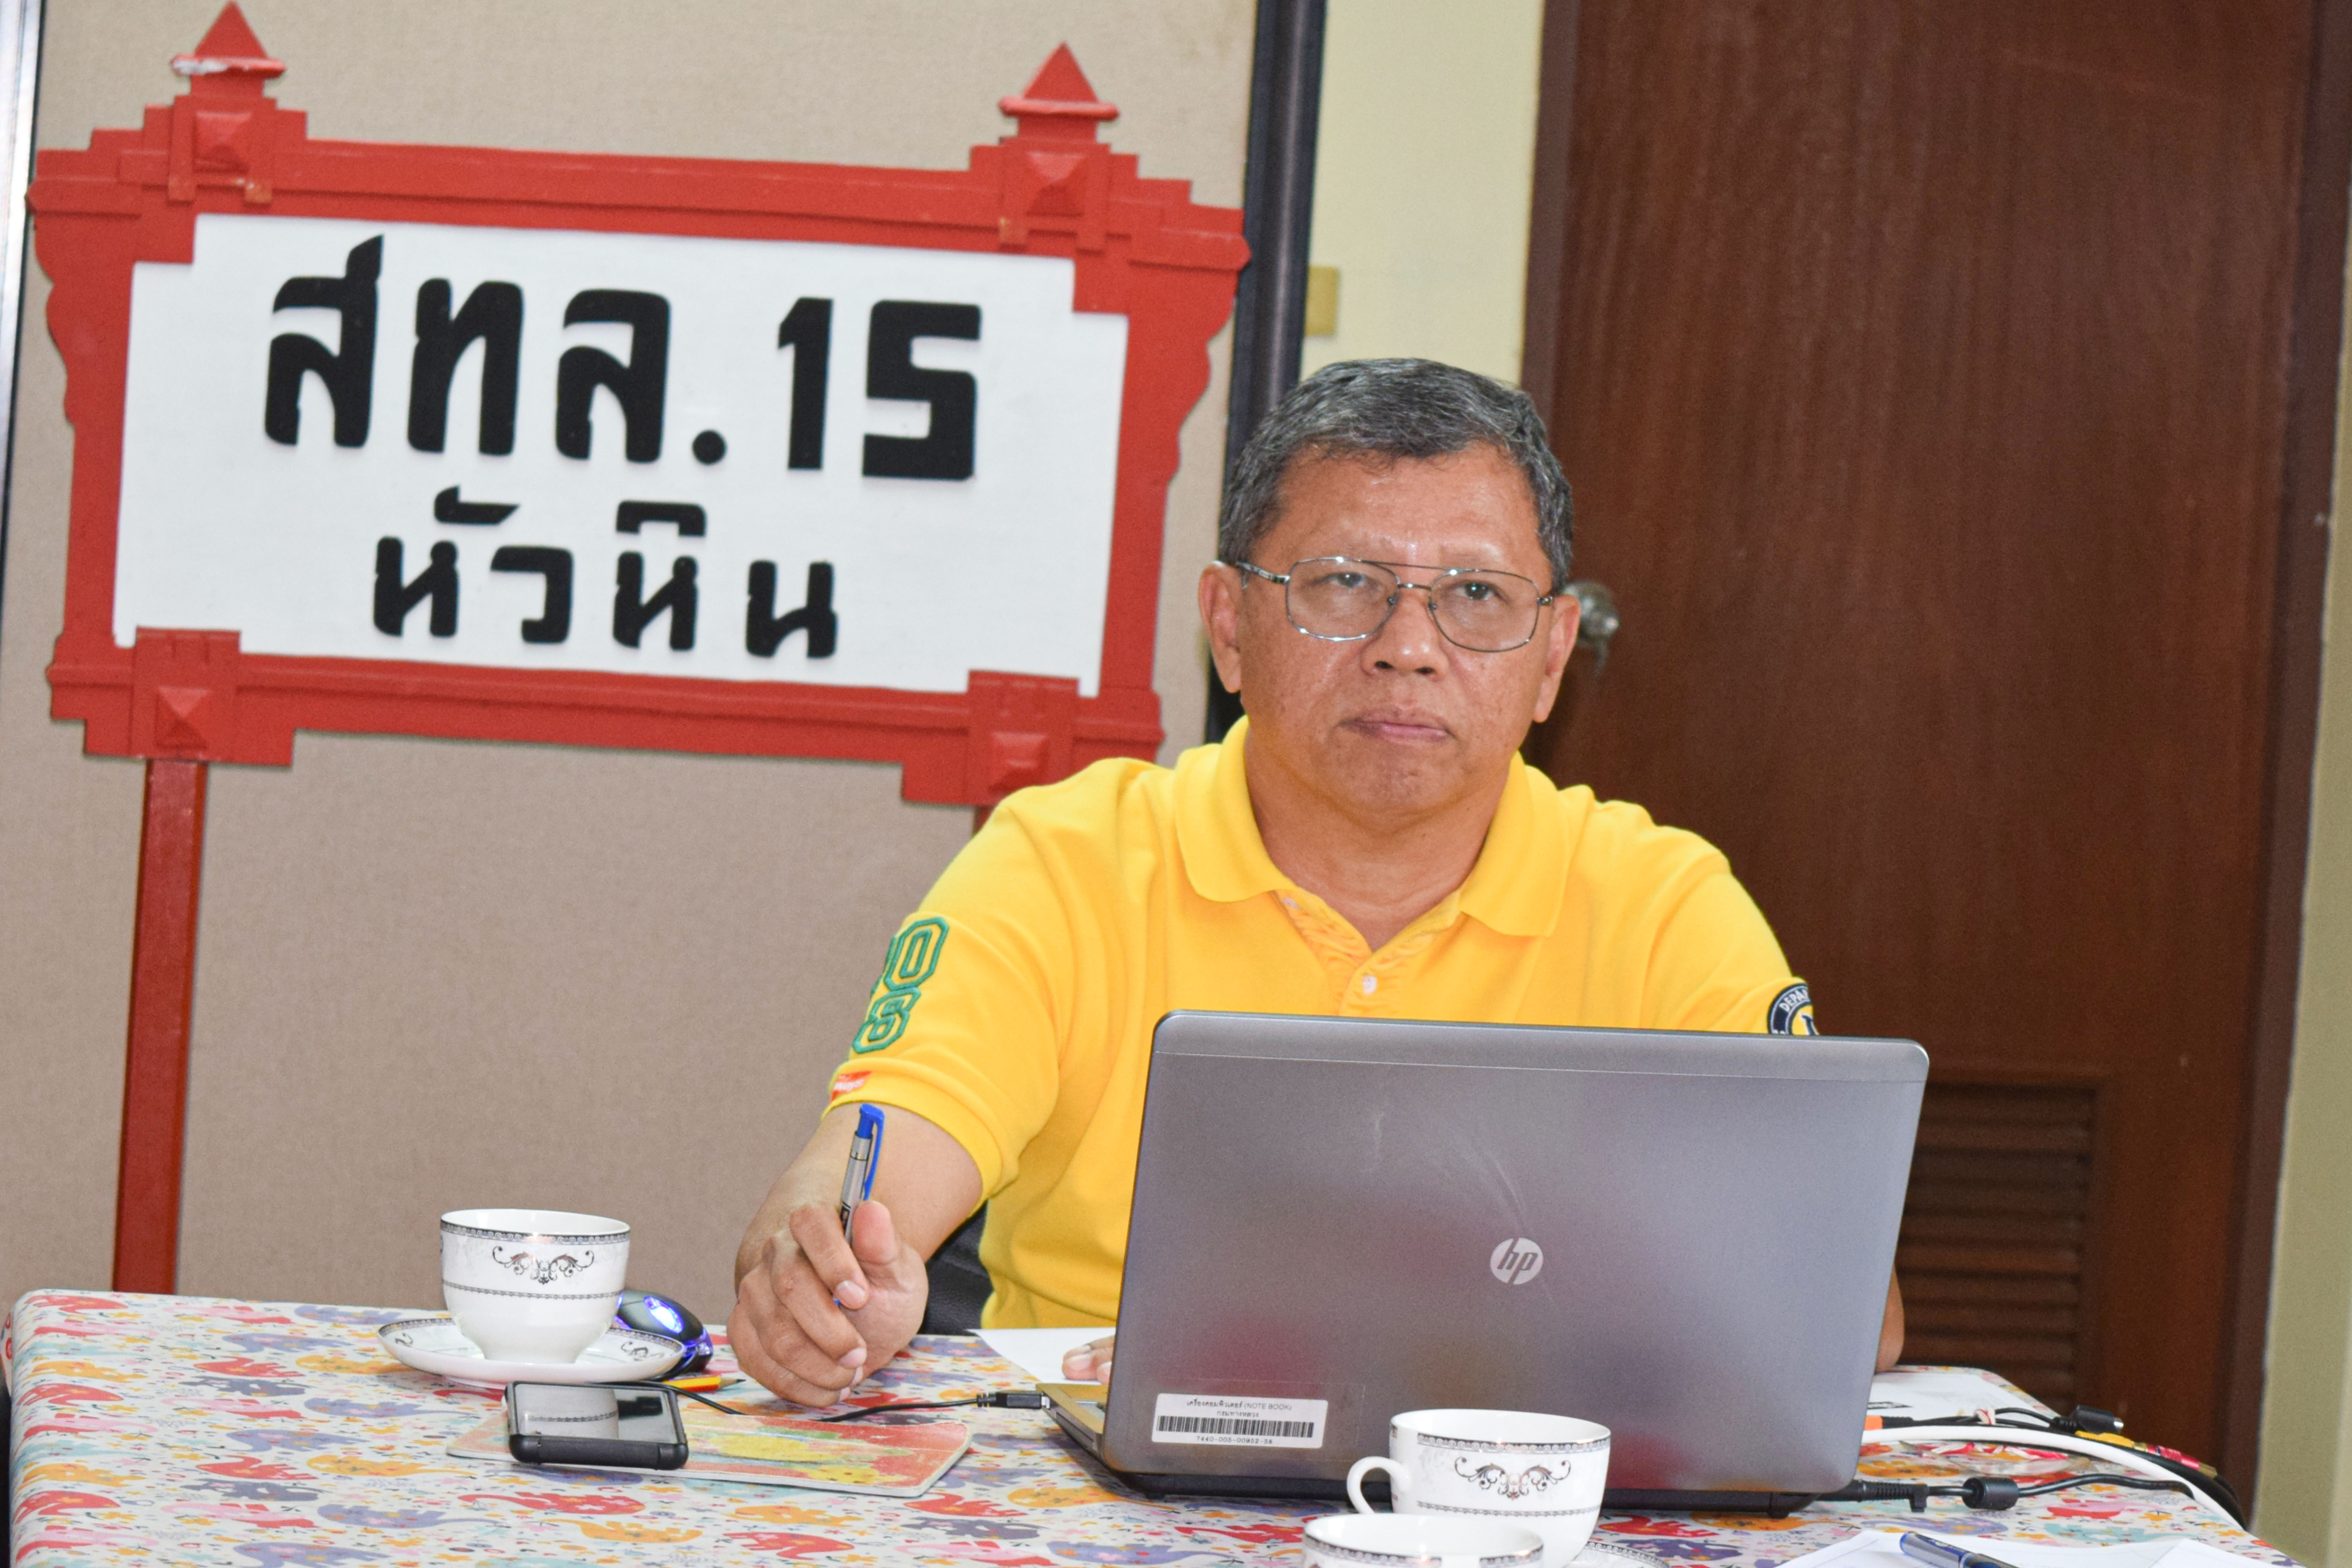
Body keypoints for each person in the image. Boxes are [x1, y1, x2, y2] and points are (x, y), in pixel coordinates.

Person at [731, 358, 1903, 1406]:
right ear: (1230, 626)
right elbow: (869, 1166)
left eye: (1476, 595)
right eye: (1345, 583)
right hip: (1104, 1505)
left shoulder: (1662, 906)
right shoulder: (1065, 861)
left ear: (1550, 659)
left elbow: (1844, 1313)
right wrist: (823, 1271)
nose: (1409, 646)